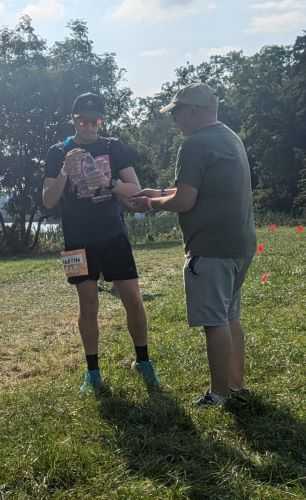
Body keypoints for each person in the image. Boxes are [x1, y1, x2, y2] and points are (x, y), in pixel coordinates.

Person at [132, 82, 256, 408]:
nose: (175, 120)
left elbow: (186, 200)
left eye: (177, 112)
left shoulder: (194, 145)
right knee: (230, 316)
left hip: (211, 247)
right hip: (240, 243)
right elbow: (199, 192)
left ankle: (218, 395)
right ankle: (236, 384)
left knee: (215, 322)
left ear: (194, 111)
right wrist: (157, 193)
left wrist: (150, 205)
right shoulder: (229, 136)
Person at [43, 92, 159, 395]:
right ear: (74, 119)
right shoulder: (58, 152)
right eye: (83, 119)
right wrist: (66, 172)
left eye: (94, 119)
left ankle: (143, 361)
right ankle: (92, 372)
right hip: (76, 241)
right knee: (88, 304)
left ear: (101, 120)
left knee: (133, 299)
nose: (89, 125)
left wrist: (108, 183)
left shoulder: (113, 147)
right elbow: (48, 199)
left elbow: (135, 190)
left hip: (113, 235)